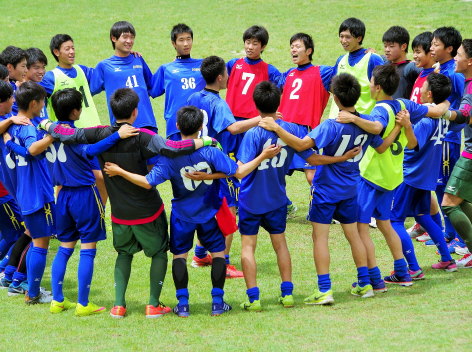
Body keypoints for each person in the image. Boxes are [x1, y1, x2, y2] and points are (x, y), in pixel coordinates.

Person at [40, 87, 217, 318]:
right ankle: (153, 305)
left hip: (119, 214)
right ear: (135, 112)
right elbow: (172, 148)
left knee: (123, 255)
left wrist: (45, 123)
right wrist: (205, 140)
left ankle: (118, 306)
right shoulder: (142, 135)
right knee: (160, 254)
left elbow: (68, 134)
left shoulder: (99, 133)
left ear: (112, 111)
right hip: (149, 212)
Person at [103, 105, 280, 316]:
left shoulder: (169, 157)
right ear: (202, 127)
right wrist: (261, 156)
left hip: (182, 216)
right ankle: (217, 303)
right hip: (209, 213)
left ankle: (183, 304)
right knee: (218, 254)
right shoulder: (212, 151)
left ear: (177, 126)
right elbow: (239, 172)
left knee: (180, 257)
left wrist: (120, 171)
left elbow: (148, 182)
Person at [259, 73, 401, 304]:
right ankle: (364, 284)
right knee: (353, 235)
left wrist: (277, 128)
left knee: (320, 238)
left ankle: (324, 289)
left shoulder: (330, 126)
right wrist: (399, 128)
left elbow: (304, 146)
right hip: (351, 190)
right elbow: (383, 147)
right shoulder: (365, 123)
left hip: (326, 189)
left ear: (334, 98)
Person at [234, 81, 356, 311]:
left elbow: (241, 171)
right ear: (279, 102)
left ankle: (253, 299)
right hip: (278, 199)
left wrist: (260, 157)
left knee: (248, 247)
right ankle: (287, 295)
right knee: (280, 245)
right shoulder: (292, 130)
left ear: (256, 104)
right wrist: (341, 158)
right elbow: (313, 160)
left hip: (251, 201)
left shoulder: (252, 134)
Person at [336, 64, 450, 286]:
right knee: (385, 224)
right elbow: (434, 111)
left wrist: (354, 118)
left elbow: (377, 129)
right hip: (392, 178)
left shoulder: (379, 111)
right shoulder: (404, 104)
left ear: (377, 87)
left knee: (361, 230)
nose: (368, 85)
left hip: (371, 178)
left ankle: (373, 279)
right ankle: (402, 272)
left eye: (370, 81)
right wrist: (447, 100)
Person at [42, 89, 140, 316]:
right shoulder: (74, 134)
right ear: (76, 111)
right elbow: (92, 150)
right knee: (88, 248)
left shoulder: (49, 134)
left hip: (62, 196)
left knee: (65, 248)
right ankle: (83, 304)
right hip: (85, 196)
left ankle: (57, 301)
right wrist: (117, 136)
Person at [186, 56, 263, 277]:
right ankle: (225, 263)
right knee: (228, 211)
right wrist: (260, 119)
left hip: (196, 157)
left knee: (208, 207)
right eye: (226, 74)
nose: (229, 77)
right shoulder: (218, 103)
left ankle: (200, 254)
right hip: (216, 163)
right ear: (220, 78)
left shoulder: (193, 97)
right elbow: (234, 128)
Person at [391, 73, 464, 275]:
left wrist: (407, 126)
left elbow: (414, 145)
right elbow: (461, 121)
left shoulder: (425, 121)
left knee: (394, 220)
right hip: (427, 177)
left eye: (423, 86)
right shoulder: (443, 119)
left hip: (411, 175)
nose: (420, 89)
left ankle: (413, 269)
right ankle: (447, 260)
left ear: (429, 94)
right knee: (424, 216)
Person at [4, 81, 55, 305]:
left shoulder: (11, 127)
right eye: (43, 101)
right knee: (40, 244)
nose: (44, 104)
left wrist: (9, 144)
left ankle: (17, 280)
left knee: (35, 239)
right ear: (34, 103)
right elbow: (32, 150)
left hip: (23, 192)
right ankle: (33, 292)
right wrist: (53, 137)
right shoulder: (27, 128)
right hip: (38, 194)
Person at [40, 34, 107, 203]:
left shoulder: (82, 70)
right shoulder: (51, 77)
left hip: (92, 134)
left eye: (73, 47)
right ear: (56, 52)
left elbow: (104, 75)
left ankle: (100, 212)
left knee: (101, 178)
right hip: (67, 137)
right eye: (67, 49)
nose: (72, 52)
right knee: (64, 182)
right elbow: (38, 103)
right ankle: (60, 220)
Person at [428, 27, 465, 247]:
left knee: (448, 187)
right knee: (439, 185)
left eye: (436, 44)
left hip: (449, 138)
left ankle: (458, 236)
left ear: (449, 48)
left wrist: (455, 128)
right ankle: (448, 232)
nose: (431, 47)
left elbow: (465, 101)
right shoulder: (442, 69)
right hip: (438, 136)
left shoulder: (455, 73)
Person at [441, 39, 472, 268]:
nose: (455, 59)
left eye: (459, 55)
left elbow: (463, 115)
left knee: (449, 203)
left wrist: (443, 113)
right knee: (462, 201)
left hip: (470, 156)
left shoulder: (470, 87)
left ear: (469, 61)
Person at [150, 23, 205, 140]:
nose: (186, 44)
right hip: (175, 126)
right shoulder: (166, 69)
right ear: (173, 43)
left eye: (188, 39)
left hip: (201, 125)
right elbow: (151, 90)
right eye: (181, 40)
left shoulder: (203, 65)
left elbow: (222, 76)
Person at [328, 17, 384, 118]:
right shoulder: (340, 60)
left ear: (359, 38)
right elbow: (333, 88)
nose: (343, 40)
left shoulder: (372, 59)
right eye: (341, 36)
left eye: (348, 37)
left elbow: (383, 91)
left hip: (362, 122)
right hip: (337, 120)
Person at [382, 26, 420, 99]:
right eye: (385, 46)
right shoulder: (386, 63)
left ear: (403, 46)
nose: (387, 49)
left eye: (391, 46)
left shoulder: (409, 67)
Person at [0, 46, 28, 116]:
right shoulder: (8, 90)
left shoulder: (17, 86)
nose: (26, 70)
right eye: (23, 66)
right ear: (9, 67)